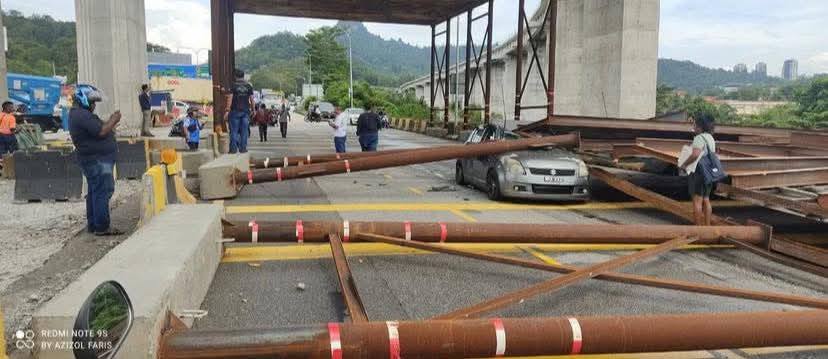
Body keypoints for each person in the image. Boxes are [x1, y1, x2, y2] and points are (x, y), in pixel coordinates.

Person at [68, 84, 124, 236]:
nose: (94, 105)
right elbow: (101, 131)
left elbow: (99, 130)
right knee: (102, 191)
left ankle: (94, 224)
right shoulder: (81, 115)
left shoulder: (79, 114)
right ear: (83, 99)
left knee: (95, 191)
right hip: (97, 160)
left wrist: (110, 125)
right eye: (92, 101)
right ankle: (102, 226)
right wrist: (113, 119)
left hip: (94, 159)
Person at [679, 113, 717, 226]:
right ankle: (707, 226)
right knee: (706, 199)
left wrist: (684, 165)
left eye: (695, 125)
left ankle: (698, 228)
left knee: (697, 201)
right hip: (709, 172)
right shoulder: (711, 138)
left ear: (700, 127)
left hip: (699, 173)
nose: (693, 128)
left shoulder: (699, 138)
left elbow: (695, 155)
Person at [227, 69, 254, 153]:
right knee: (244, 131)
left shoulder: (233, 86)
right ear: (243, 76)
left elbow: (230, 98)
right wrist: (253, 109)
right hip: (246, 111)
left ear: (235, 76)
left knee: (234, 131)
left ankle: (233, 149)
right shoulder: (248, 86)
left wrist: (227, 109)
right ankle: (243, 148)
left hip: (235, 111)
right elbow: (252, 99)